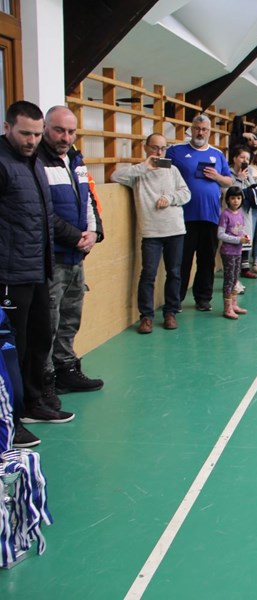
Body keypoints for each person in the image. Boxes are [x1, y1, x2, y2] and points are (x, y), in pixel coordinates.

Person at [1, 101, 76, 448]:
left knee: (38, 340)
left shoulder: (34, 163)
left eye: (35, 134)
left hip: (37, 269)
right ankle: (9, 421)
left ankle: (32, 404)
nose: (31, 140)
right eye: (24, 134)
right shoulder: (3, 164)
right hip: (9, 274)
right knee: (10, 351)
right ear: (7, 128)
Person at [36, 106, 105, 395]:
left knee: (69, 318)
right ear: (45, 129)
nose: (65, 137)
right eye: (59, 130)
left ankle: (66, 370)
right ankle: (45, 381)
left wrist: (95, 232)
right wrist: (75, 237)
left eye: (71, 131)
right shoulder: (36, 161)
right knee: (47, 324)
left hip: (77, 257)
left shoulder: (75, 159)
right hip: (52, 258)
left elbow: (88, 199)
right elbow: (41, 211)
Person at [111, 133, 191, 333]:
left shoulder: (173, 170)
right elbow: (115, 176)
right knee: (148, 274)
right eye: (155, 147)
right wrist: (143, 167)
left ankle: (170, 312)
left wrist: (170, 198)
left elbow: (186, 193)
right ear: (146, 148)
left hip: (175, 230)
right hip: (151, 233)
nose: (159, 152)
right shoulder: (138, 173)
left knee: (174, 273)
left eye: (163, 148)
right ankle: (146, 316)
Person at [167, 114, 233, 312]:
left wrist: (217, 176)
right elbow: (161, 170)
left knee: (206, 260)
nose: (200, 132)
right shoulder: (176, 150)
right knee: (182, 260)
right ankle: (176, 300)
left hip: (210, 217)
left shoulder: (217, 154)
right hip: (184, 217)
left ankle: (203, 299)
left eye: (204, 129)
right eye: (197, 128)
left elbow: (229, 181)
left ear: (209, 132)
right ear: (191, 129)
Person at [218, 187, 250, 319]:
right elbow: (220, 234)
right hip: (228, 252)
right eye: (232, 198)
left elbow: (240, 230)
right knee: (229, 279)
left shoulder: (240, 214)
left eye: (238, 198)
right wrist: (238, 240)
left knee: (235, 278)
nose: (236, 201)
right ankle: (227, 308)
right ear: (227, 200)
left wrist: (245, 237)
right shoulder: (225, 215)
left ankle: (234, 304)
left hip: (238, 251)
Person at [228, 145, 257, 280]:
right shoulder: (228, 173)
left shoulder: (248, 173)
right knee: (234, 240)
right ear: (235, 158)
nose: (245, 161)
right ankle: (233, 269)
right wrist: (239, 179)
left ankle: (245, 268)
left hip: (245, 211)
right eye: (242, 157)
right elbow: (229, 192)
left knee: (246, 238)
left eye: (247, 159)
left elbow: (253, 187)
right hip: (232, 214)